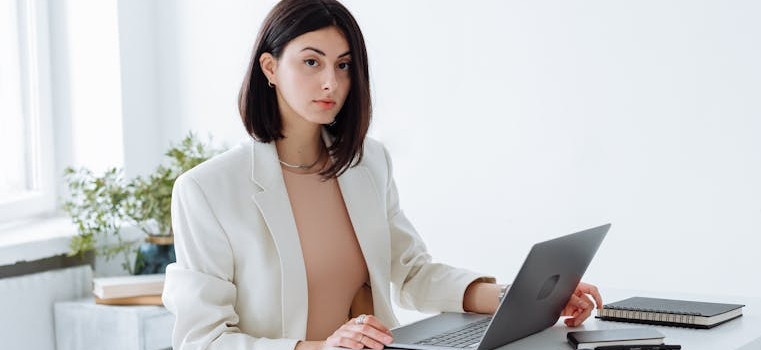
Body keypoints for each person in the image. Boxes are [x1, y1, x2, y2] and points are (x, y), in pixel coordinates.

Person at [161, 0, 603, 349]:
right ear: (270, 69)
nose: (331, 82)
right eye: (311, 62)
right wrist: (319, 347)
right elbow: (202, 338)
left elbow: (410, 272)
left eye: (344, 64)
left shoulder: (367, 162)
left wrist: (518, 299)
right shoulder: (207, 190)